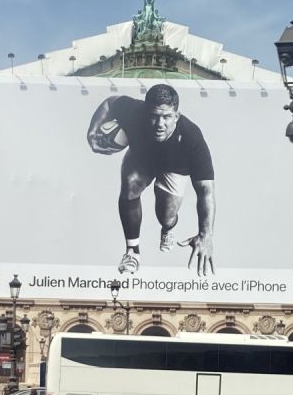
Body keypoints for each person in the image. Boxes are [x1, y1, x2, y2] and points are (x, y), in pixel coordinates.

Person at [86, 83, 216, 276]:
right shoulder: (134, 111)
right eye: (154, 116)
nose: (160, 124)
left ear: (176, 116)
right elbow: (109, 103)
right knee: (130, 184)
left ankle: (168, 227)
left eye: (167, 117)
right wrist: (92, 131)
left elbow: (206, 191)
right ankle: (132, 252)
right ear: (146, 112)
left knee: (165, 215)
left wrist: (206, 235)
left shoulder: (192, 138)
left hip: (175, 168)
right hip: (142, 157)